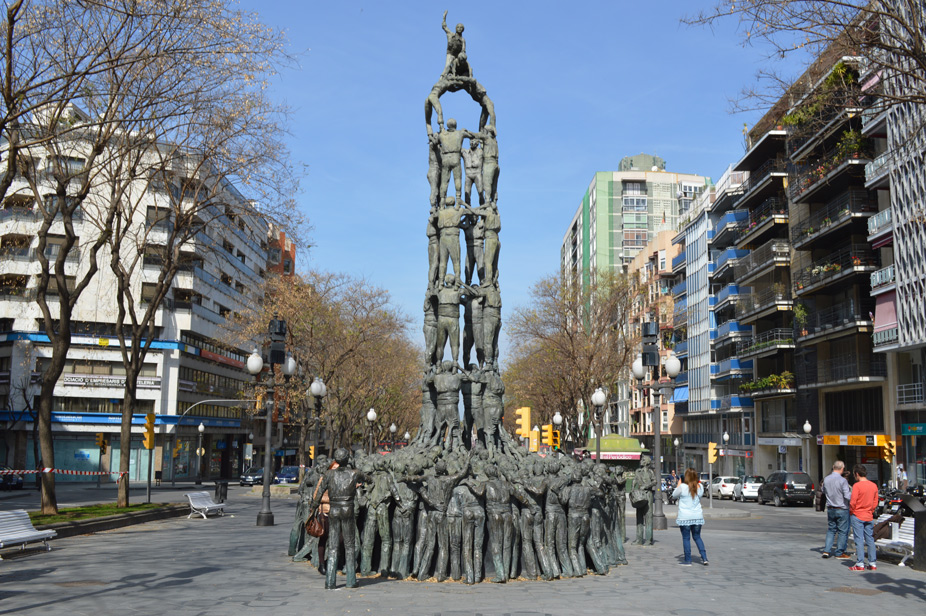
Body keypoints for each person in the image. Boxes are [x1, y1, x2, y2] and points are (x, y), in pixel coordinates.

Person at [672, 468, 708, 566]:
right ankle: (704, 558)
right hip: (697, 516)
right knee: (697, 537)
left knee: (686, 538)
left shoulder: (682, 487)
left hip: (685, 517)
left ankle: (688, 560)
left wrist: (679, 483)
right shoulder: (700, 486)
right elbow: (699, 497)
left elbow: (674, 495)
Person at [848, 463, 879, 571]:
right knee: (870, 539)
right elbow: (875, 501)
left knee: (859, 539)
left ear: (857, 474)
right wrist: (871, 510)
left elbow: (853, 502)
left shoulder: (857, 486)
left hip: (858, 514)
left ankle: (860, 563)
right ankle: (872, 563)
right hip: (869, 515)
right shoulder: (873, 485)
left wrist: (852, 512)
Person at [821, 460, 853, 559]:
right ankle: (839, 552)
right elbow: (847, 496)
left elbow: (823, 491)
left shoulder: (826, 479)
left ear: (833, 467)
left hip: (830, 508)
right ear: (842, 469)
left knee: (831, 530)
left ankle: (826, 550)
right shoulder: (843, 481)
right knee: (843, 531)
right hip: (842, 508)